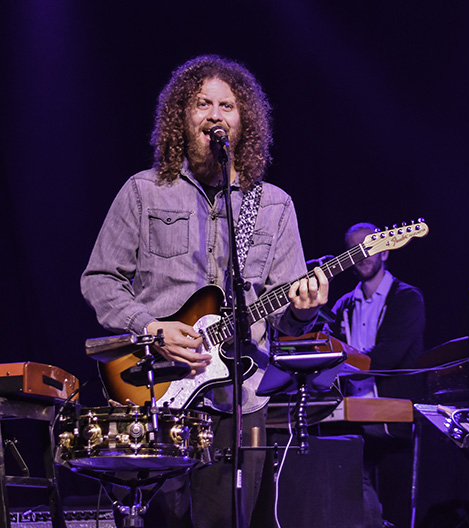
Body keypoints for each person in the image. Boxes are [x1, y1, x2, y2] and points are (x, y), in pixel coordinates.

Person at [80, 55, 329, 528]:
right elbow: (99, 280)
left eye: (228, 106)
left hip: (239, 401)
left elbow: (286, 311)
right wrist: (152, 328)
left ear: (244, 122)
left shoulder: (273, 205)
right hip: (157, 391)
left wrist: (303, 311)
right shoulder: (143, 192)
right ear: (182, 117)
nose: (215, 115)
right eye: (202, 104)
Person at [320, 221, 426, 528]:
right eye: (355, 249)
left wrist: (341, 363)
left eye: (370, 247)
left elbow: (387, 358)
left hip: (394, 417)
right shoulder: (342, 305)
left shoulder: (407, 298)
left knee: (386, 495)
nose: (363, 255)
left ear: (386, 251)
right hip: (352, 414)